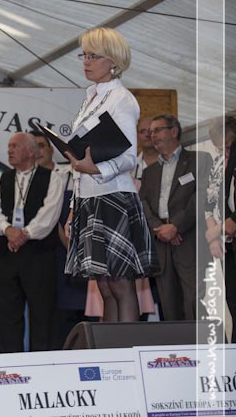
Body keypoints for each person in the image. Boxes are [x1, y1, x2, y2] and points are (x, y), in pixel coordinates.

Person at [64, 27, 159, 323]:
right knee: (104, 285)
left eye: (94, 56)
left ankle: (127, 347)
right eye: (84, 55)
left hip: (113, 196)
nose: (86, 61)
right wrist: (72, 209)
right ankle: (111, 348)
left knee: (119, 282)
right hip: (89, 198)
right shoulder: (91, 98)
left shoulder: (121, 98)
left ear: (114, 61)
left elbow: (129, 156)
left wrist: (96, 169)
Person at [0, 133, 64, 352]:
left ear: (31, 151)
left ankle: (42, 363)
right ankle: (10, 363)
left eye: (15, 146)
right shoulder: (2, 178)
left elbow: (49, 215)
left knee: (43, 314)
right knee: (7, 315)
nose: (9, 150)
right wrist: (8, 230)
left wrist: (25, 234)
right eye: (9, 146)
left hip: (39, 256)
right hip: (7, 255)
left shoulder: (52, 178)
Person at [140, 114, 211, 321]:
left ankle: (206, 343)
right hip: (162, 242)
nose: (153, 136)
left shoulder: (199, 160)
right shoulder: (150, 172)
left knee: (195, 302)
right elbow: (143, 204)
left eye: (157, 130)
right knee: (169, 305)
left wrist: (176, 226)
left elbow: (202, 196)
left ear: (174, 131)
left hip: (189, 240)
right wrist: (160, 229)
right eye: (150, 132)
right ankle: (178, 344)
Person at [31, 130, 88, 349]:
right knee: (59, 315)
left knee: (86, 311)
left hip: (83, 252)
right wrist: (69, 247)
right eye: (33, 147)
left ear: (51, 149)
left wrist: (77, 251)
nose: (38, 151)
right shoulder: (31, 180)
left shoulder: (68, 174)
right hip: (55, 254)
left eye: (41, 146)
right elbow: (51, 219)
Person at [204, 116, 236, 341]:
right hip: (225, 242)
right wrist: (214, 238)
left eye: (226, 147)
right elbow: (209, 202)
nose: (223, 152)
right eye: (218, 147)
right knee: (232, 299)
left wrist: (216, 231)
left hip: (228, 230)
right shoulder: (217, 163)